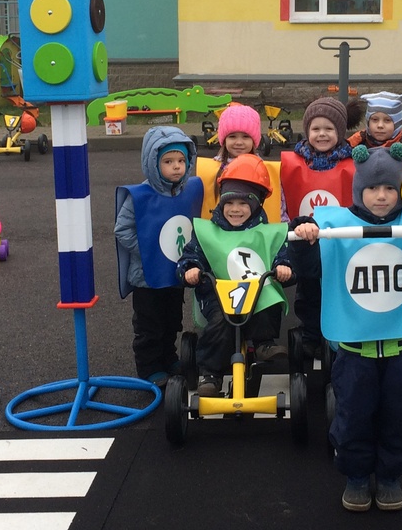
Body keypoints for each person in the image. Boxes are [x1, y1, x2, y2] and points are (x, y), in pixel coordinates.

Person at [292, 143, 402, 512]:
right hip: (354, 350)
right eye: (372, 189)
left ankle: (390, 476)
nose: (381, 196)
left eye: (390, 189)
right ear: (359, 191)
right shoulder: (336, 224)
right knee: (352, 416)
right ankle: (355, 475)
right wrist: (303, 237)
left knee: (400, 417)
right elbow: (304, 267)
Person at [177, 153, 293, 397]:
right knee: (220, 322)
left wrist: (285, 268)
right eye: (229, 203)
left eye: (243, 203)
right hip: (218, 295)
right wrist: (191, 270)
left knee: (268, 301)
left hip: (256, 292)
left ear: (256, 205)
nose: (235, 209)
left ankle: (263, 344)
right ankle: (211, 373)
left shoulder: (266, 233)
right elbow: (190, 256)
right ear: (221, 203)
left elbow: (281, 256)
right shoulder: (207, 232)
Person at [115, 126, 204, 387]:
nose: (176, 167)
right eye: (168, 161)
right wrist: (148, 253)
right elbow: (122, 229)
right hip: (147, 277)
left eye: (181, 161)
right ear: (153, 163)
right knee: (149, 325)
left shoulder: (188, 190)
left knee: (171, 320)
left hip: (174, 274)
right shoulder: (140, 196)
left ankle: (169, 356)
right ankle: (149, 366)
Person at [280, 96, 363, 358]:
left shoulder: (354, 164)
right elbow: (284, 201)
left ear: (340, 131)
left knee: (341, 289)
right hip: (306, 243)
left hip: (341, 244)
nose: (322, 134)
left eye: (329, 128)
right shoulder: (293, 163)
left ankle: (340, 334)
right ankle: (311, 334)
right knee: (309, 290)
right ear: (307, 131)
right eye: (316, 129)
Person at [347, 91, 402, 181]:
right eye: (375, 120)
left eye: (387, 120)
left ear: (397, 123)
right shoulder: (353, 147)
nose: (380, 125)